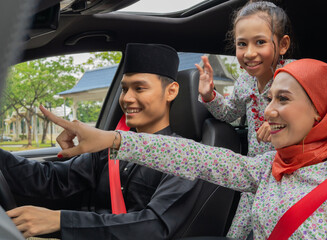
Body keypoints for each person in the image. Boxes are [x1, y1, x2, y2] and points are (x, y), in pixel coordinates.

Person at [42, 59, 327, 239]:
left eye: (284, 99)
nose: (269, 111)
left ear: (322, 108)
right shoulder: (270, 166)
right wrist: (115, 139)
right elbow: (200, 158)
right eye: (269, 98)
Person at [2, 43, 209, 239]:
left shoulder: (184, 158)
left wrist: (61, 220)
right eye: (125, 88)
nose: (126, 98)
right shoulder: (109, 148)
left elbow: (153, 227)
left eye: (139, 88)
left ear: (171, 91)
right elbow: (51, 180)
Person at [196, 1, 294, 238]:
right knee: (236, 234)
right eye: (242, 44)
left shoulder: (294, 76)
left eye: (260, 42)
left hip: (290, 176)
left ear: (282, 45)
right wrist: (210, 95)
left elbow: (318, 119)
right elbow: (229, 113)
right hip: (254, 175)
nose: (249, 53)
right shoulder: (244, 82)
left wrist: (282, 124)